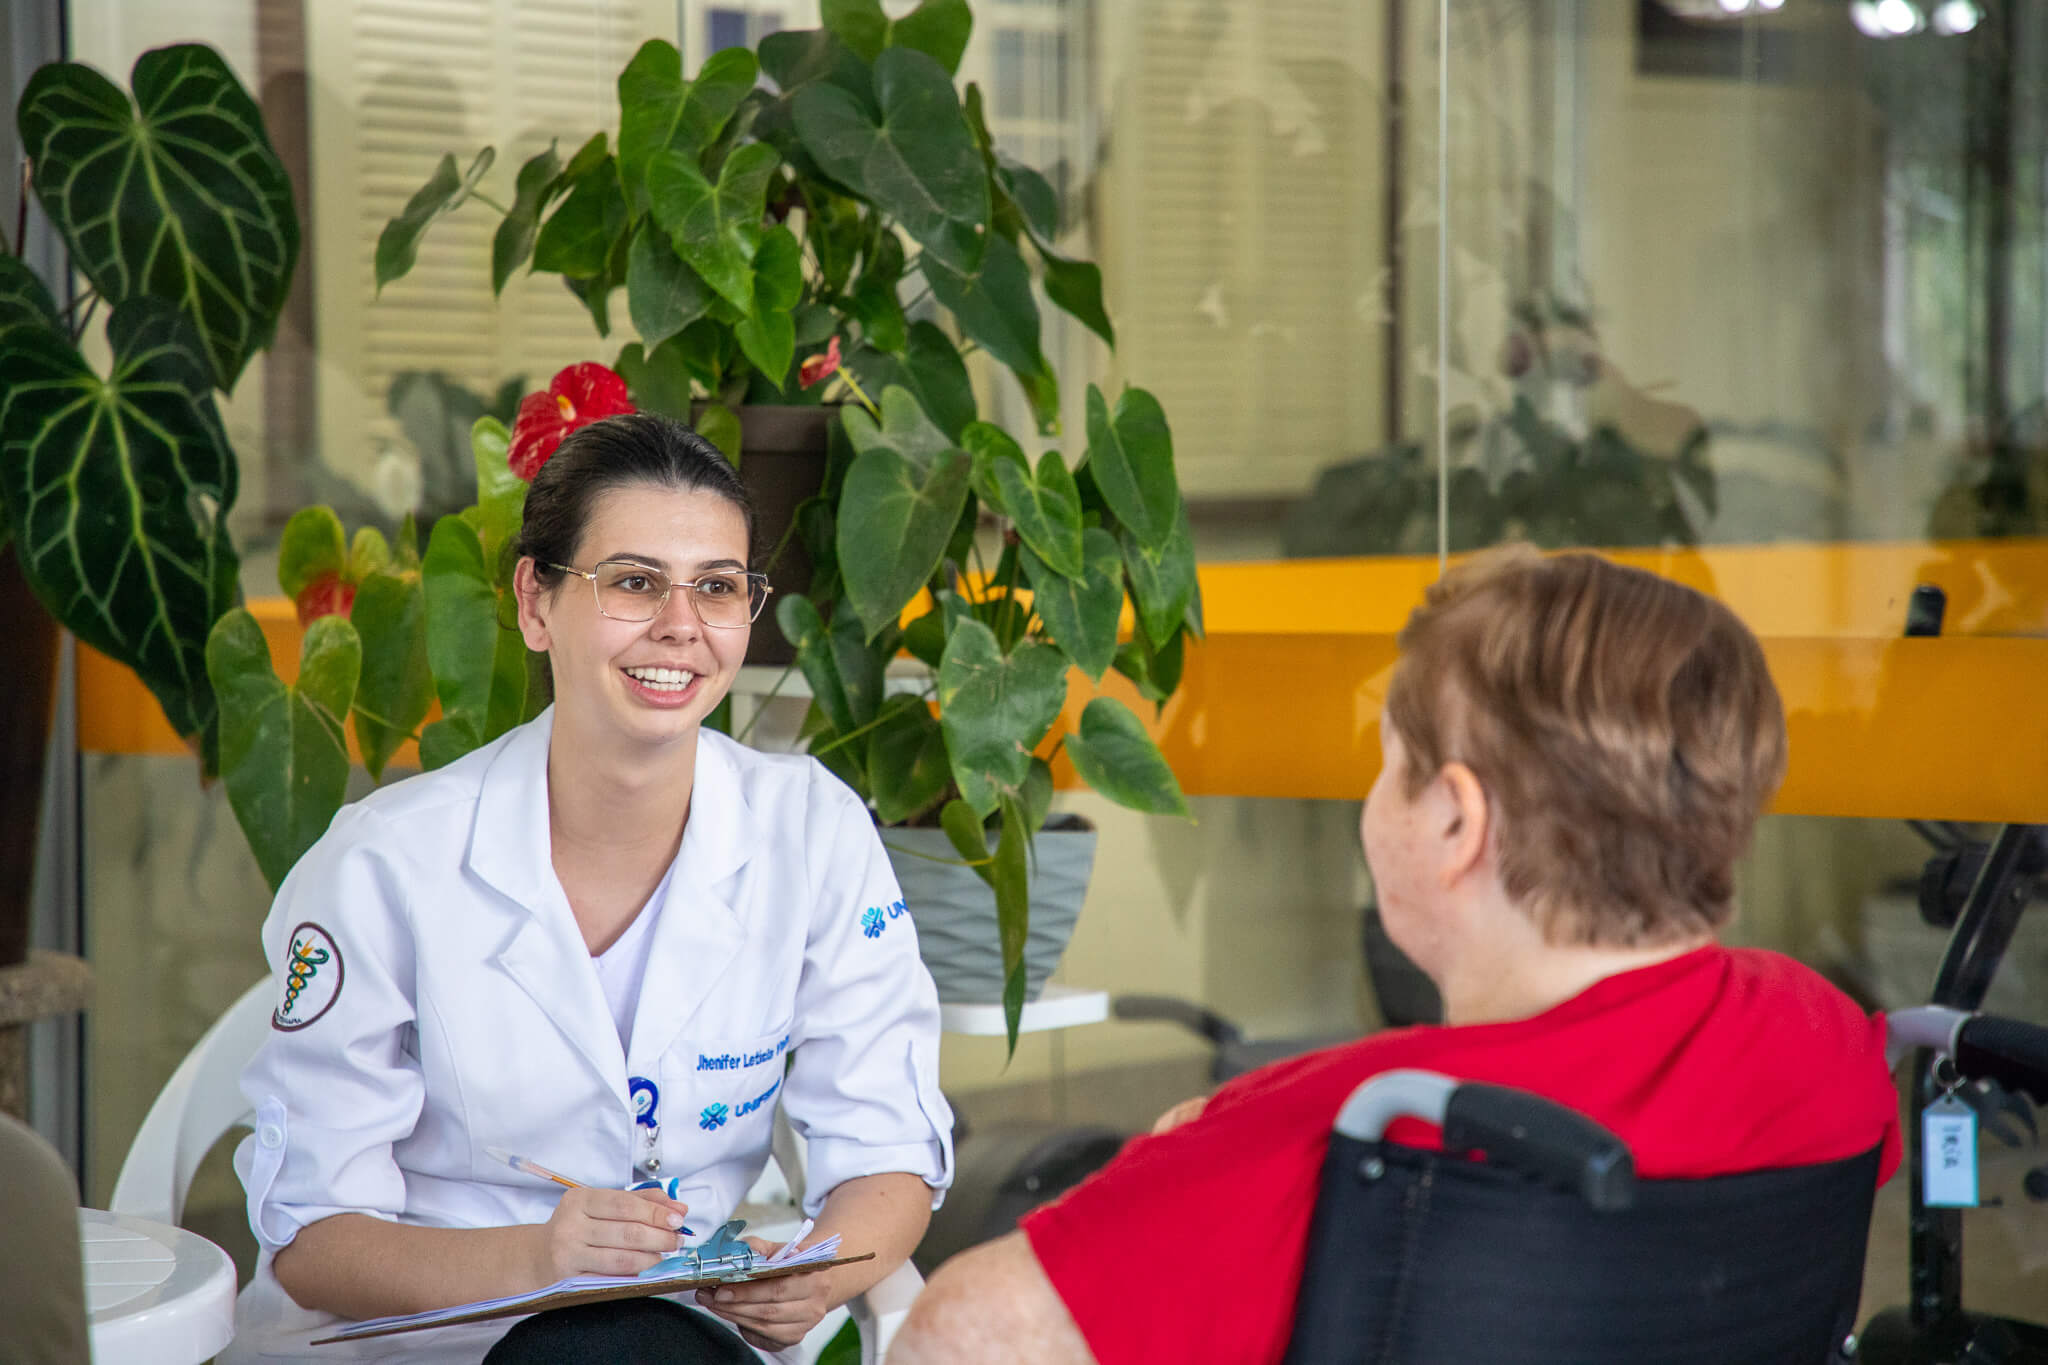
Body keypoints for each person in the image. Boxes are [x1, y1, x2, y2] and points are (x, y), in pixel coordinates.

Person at [890, 546, 1902, 1365]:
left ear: (1456, 822)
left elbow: (957, 1335)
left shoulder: (1357, 1133)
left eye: (1388, 766)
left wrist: (1189, 1163)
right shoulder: (1828, 1041)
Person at [227, 413, 953, 1363]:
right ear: (536, 602)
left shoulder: (810, 830)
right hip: (431, 1344)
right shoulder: (384, 864)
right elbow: (311, 1241)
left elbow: (887, 1150)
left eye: (718, 587)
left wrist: (817, 1272)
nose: (681, 626)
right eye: (635, 581)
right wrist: (542, 1259)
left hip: (687, 1335)